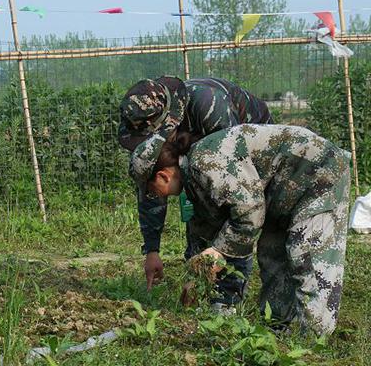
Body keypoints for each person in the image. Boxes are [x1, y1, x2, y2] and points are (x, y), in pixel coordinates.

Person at [131, 124, 350, 335]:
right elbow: (209, 232)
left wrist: (217, 252)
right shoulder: (193, 183)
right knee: (272, 256)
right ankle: (276, 334)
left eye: (151, 190)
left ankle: (314, 346)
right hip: (278, 196)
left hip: (317, 174)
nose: (155, 196)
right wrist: (198, 276)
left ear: (163, 176)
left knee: (307, 258)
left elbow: (250, 213)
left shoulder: (205, 162)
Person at [118, 76, 273, 297]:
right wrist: (152, 249)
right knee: (199, 212)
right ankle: (201, 281)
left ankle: (229, 294)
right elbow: (152, 185)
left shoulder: (208, 105)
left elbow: (234, 187)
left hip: (252, 152)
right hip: (206, 161)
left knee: (236, 218)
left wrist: (220, 251)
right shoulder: (143, 120)